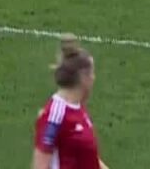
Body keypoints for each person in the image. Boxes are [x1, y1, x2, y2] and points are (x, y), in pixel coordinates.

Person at [32, 37, 106, 169]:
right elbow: (40, 165)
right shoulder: (55, 115)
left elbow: (90, 158)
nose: (94, 78)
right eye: (92, 74)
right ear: (83, 78)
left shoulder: (78, 109)